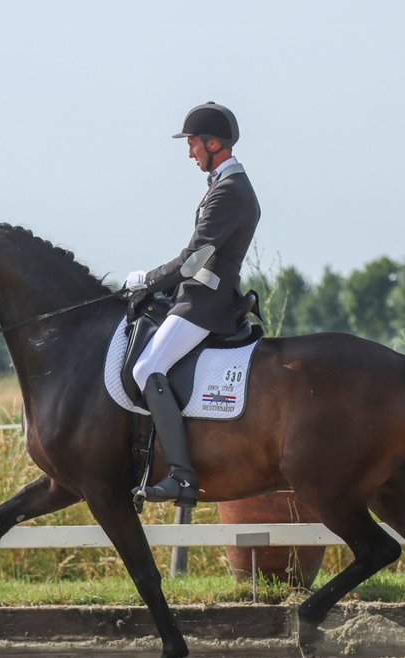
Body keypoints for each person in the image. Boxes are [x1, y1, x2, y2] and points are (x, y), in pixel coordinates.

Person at [125, 101, 262, 508]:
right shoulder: (224, 186)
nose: (190, 153)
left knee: (147, 367)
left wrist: (147, 280)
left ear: (213, 143)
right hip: (195, 297)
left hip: (205, 304)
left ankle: (182, 477)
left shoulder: (231, 192)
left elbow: (193, 260)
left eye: (193, 145)